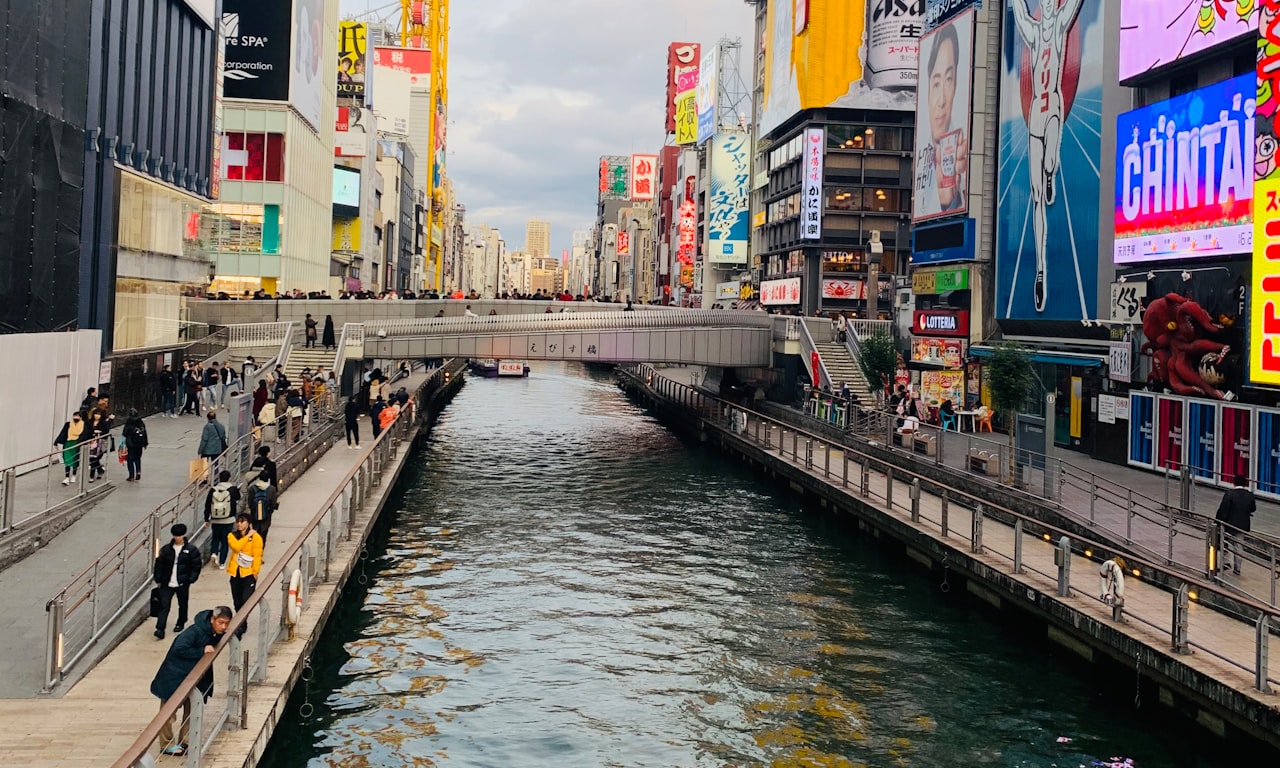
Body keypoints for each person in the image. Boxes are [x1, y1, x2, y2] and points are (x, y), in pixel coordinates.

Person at [1010, 0, 1084, 312]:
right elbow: (1018, 11)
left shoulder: (1060, 27)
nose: (1050, 7)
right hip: (1034, 117)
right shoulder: (1033, 31)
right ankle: (1040, 270)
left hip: (1053, 105)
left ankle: (1051, 170)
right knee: (1037, 197)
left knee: (1050, 162)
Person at [149, 606, 232, 757]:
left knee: (192, 709)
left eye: (227, 624)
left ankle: (186, 741)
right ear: (212, 620)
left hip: (192, 678)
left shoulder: (213, 632)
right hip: (174, 676)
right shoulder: (195, 631)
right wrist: (200, 651)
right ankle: (166, 744)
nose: (224, 627)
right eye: (221, 623)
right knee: (169, 713)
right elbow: (178, 648)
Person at [915, 20, 968, 218]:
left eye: (948, 80)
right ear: (927, 89)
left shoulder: (962, 152)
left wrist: (950, 202)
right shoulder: (922, 152)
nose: (941, 101)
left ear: (956, 86)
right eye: (936, 83)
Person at [152, 523, 203, 639]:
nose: (177, 538)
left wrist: (191, 579)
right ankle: (160, 628)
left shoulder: (191, 550)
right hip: (167, 582)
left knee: (183, 604)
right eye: (175, 535)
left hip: (182, 582)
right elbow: (159, 565)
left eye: (179, 535)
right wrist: (158, 579)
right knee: (164, 605)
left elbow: (196, 565)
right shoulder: (166, 550)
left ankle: (181, 621)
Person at [226, 513, 263, 637]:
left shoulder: (256, 538)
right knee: (237, 602)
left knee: (245, 601)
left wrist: (255, 572)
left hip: (248, 574)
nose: (239, 524)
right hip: (235, 573)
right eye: (238, 522)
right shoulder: (231, 536)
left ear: (248, 522)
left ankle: (241, 626)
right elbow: (236, 547)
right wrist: (247, 537)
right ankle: (242, 624)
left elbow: (257, 556)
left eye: (242, 521)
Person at [1215, 474, 1256, 575]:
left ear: (1234, 483)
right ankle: (1237, 568)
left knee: (1224, 543)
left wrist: (1218, 522)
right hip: (1242, 526)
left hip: (1229, 525)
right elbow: (1253, 508)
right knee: (1239, 546)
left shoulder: (1230, 494)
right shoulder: (1249, 495)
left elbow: (1223, 510)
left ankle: (1225, 562)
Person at [204, 470, 241, 568]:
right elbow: (238, 497)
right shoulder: (232, 489)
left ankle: (214, 553)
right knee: (225, 541)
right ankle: (222, 563)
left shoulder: (213, 490)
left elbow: (207, 505)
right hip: (228, 519)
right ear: (229, 478)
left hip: (215, 519)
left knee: (215, 538)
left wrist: (206, 519)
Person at [53, 411, 85, 486]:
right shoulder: (68, 424)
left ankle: (74, 474)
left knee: (75, 460)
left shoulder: (83, 425)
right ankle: (67, 477)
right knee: (67, 460)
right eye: (74, 416)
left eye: (77, 416)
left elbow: (85, 435)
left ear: (81, 417)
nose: (75, 418)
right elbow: (63, 433)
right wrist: (56, 442)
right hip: (68, 443)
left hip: (77, 443)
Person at [247, 471, 277, 544]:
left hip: (255, 514)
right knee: (264, 534)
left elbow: (250, 503)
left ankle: (255, 547)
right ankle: (260, 549)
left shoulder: (252, 488)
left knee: (255, 533)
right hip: (266, 515)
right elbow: (273, 504)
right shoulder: (271, 489)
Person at [198, 411, 228, 478]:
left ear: (208, 418)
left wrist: (200, 450)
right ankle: (215, 478)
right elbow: (223, 438)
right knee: (215, 464)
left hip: (206, 450)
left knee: (204, 464)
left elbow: (204, 439)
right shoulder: (221, 426)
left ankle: (204, 478)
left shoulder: (207, 427)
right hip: (217, 449)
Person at [122, 408, 148, 481]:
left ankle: (131, 476)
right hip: (139, 443)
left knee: (130, 460)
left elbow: (124, 433)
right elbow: (144, 433)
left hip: (131, 444)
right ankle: (138, 471)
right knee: (137, 458)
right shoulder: (141, 422)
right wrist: (145, 443)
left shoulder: (129, 422)